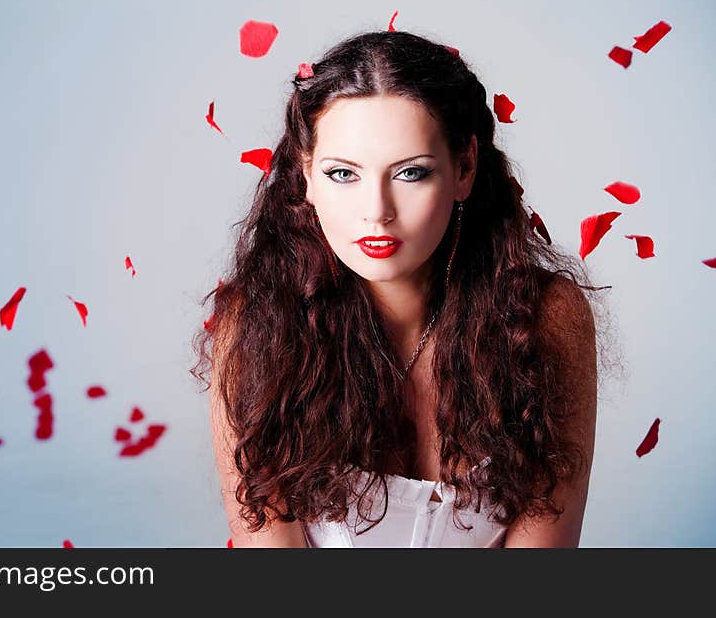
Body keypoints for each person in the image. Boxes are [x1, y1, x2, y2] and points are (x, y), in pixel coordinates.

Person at [191, 30, 611, 547]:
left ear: (465, 169)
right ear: (306, 177)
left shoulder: (545, 319)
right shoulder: (256, 330)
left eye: (411, 173)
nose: (377, 212)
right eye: (343, 173)